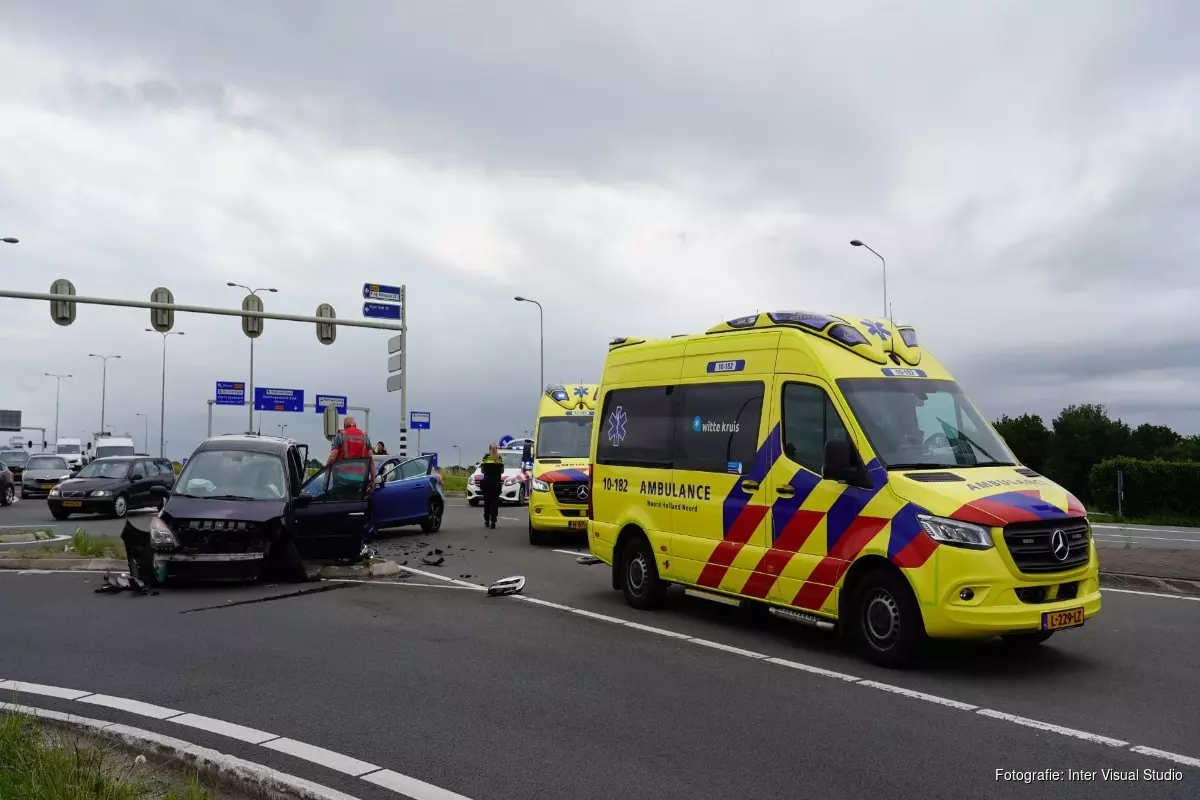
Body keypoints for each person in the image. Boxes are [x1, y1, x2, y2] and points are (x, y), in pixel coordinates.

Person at [478, 443, 505, 529]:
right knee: (494, 503)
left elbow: (482, 471)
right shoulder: (499, 458)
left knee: (487, 502)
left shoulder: (486, 457)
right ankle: (493, 521)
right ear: (496, 449)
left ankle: (487, 520)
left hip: (487, 483)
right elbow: (502, 471)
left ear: (489, 449)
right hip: (496, 483)